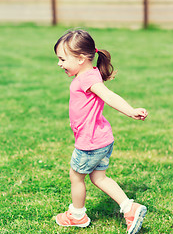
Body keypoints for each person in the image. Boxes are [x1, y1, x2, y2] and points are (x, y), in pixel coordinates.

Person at [54, 29, 148, 234]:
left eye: (62, 59)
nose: (59, 64)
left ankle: (77, 215)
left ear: (80, 58)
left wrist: (131, 111)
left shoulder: (87, 79)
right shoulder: (90, 72)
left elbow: (109, 96)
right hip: (102, 139)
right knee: (99, 178)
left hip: (90, 142)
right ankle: (129, 208)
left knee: (76, 176)